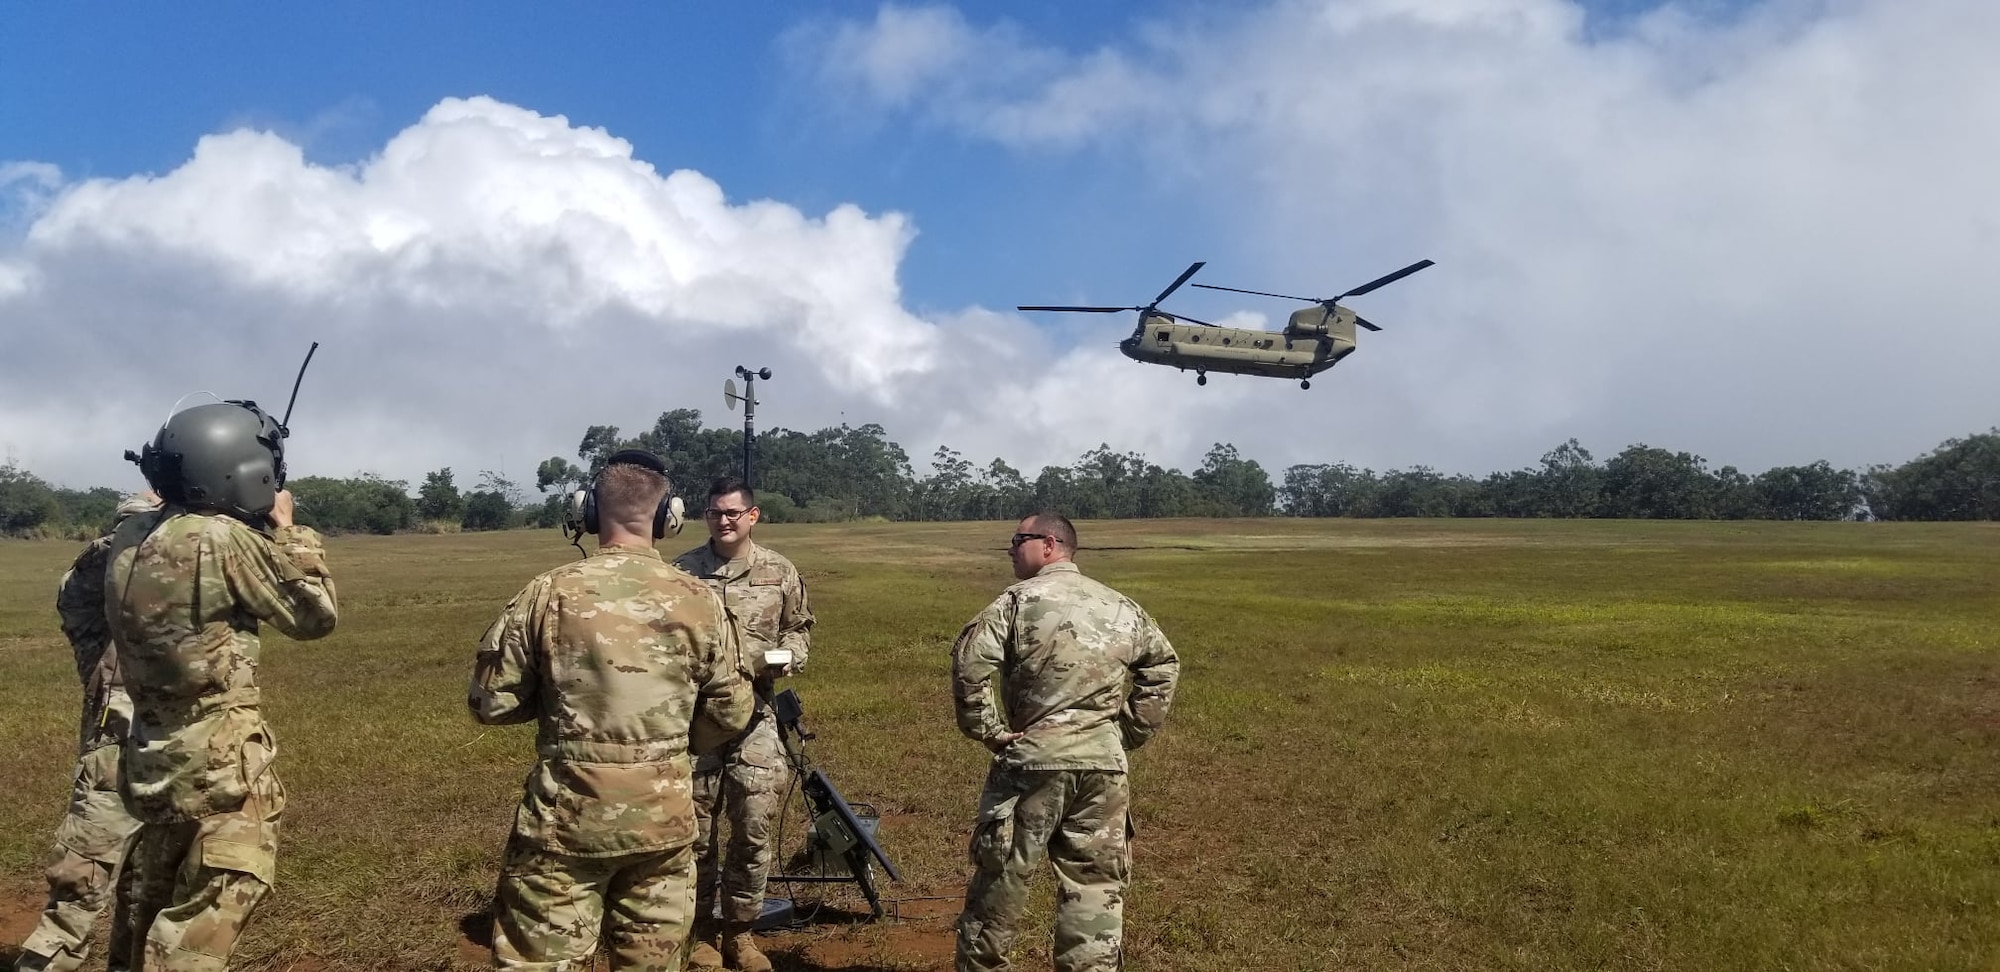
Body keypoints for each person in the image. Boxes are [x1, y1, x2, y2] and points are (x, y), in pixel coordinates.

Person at [471, 450, 754, 971]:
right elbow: (732, 711)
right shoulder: (701, 600)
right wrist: (672, 746)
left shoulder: (546, 593)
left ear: (588, 513)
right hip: (664, 822)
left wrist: (563, 709)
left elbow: (492, 702)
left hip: (564, 821)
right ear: (669, 516)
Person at [105, 401, 340, 971]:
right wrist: (290, 531)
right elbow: (315, 615)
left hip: (154, 754)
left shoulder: (131, 534)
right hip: (222, 763)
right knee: (219, 896)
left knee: (149, 898)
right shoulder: (221, 540)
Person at [950, 513, 1180, 972]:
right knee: (1094, 887)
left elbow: (970, 665)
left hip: (1033, 761)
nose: (1011, 548)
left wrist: (990, 731)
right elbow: (1163, 667)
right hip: (1103, 768)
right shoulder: (1120, 605)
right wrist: (1125, 733)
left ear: (1050, 545)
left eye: (1019, 539)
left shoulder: (1016, 602)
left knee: (1003, 881)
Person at [671, 477, 814, 972]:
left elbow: (799, 629)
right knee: (696, 832)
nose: (723, 520)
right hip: (696, 724)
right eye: (715, 512)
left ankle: (741, 932)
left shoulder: (779, 571)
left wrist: (786, 658)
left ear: (752, 516)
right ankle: (700, 933)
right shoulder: (682, 573)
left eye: (733, 513)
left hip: (756, 715)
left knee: (753, 825)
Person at [13, 494, 159, 972]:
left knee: (144, 901)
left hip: (170, 761)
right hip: (111, 762)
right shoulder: (88, 593)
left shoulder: (163, 596)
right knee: (77, 892)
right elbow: (104, 558)